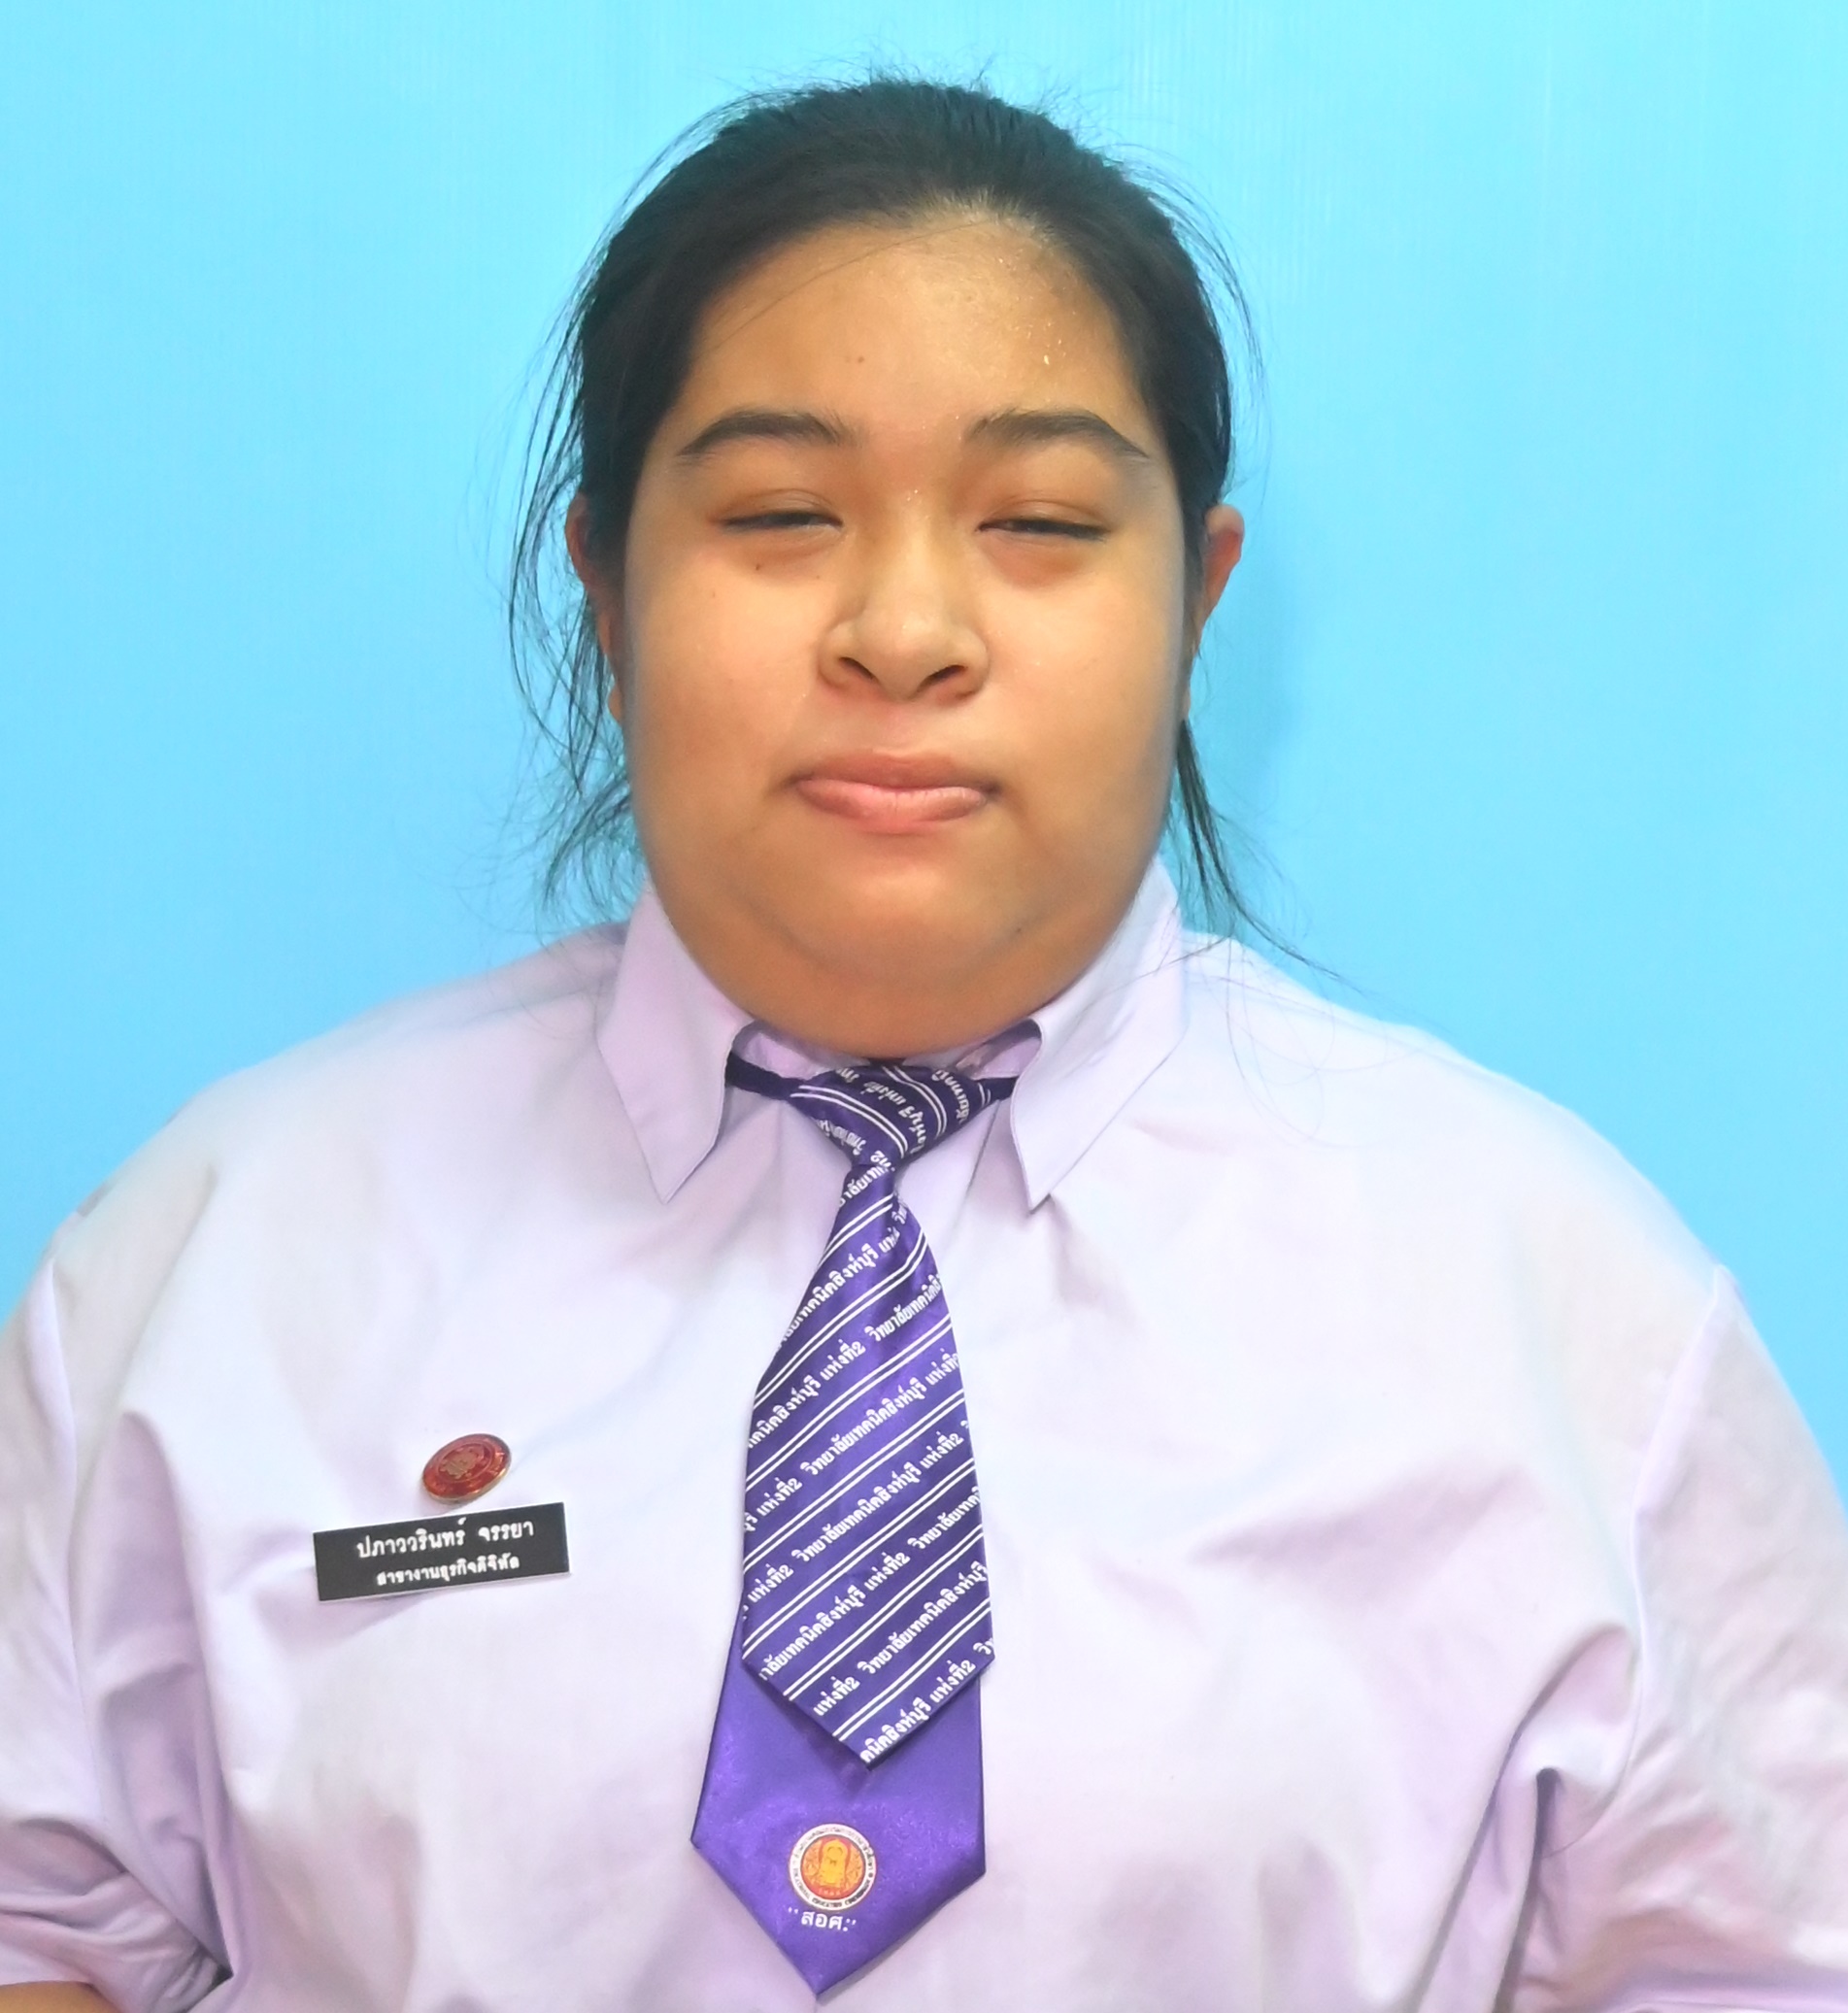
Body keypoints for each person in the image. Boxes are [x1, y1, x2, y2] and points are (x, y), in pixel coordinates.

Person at [2, 75, 1845, 2013]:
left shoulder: (1548, 1304)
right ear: (608, 591)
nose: (902, 630)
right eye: (779, 515)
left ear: (1196, 601)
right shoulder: (233, 1255)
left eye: (1037, 521)